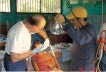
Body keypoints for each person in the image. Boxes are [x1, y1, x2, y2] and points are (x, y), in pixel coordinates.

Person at [55, 7, 97, 71]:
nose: (72, 22)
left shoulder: (90, 29)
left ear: (80, 19)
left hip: (84, 67)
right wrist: (61, 52)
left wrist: (64, 24)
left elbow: (80, 39)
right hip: (76, 64)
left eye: (73, 20)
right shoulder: (80, 29)